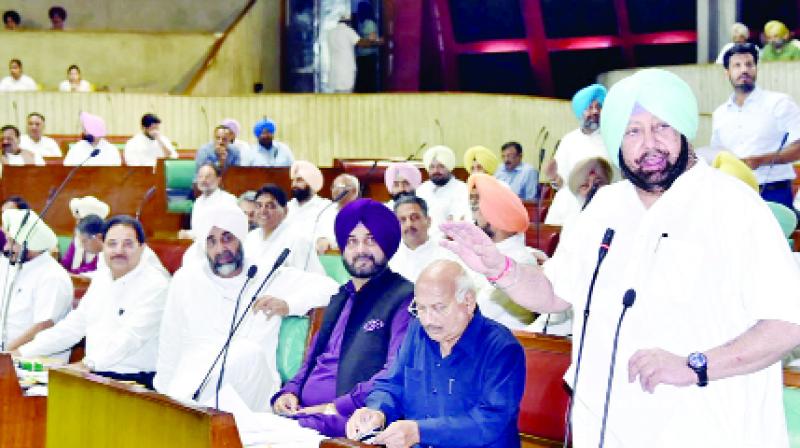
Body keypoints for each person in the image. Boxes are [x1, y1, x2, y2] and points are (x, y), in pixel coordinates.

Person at [441, 68, 800, 447]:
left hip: (708, 429)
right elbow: (554, 293)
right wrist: (501, 268)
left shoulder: (734, 205)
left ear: (683, 128)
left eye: (662, 126)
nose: (650, 143)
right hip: (610, 429)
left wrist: (695, 365)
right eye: (633, 131)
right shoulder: (604, 206)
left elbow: (787, 324)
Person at [155, 203, 336, 410]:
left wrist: (289, 305)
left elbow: (332, 288)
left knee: (244, 352)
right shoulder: (187, 279)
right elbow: (170, 342)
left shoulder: (267, 274)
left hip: (252, 388)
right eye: (211, 242)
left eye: (227, 238)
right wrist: (162, 396)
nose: (220, 249)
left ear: (241, 238)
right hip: (193, 384)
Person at [271, 198, 413, 436]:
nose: (360, 250)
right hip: (306, 416)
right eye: (352, 241)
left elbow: (395, 373)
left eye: (370, 240)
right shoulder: (340, 297)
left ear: (386, 244)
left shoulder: (404, 297)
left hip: (351, 421)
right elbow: (311, 360)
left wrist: (332, 407)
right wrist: (290, 392)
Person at [347, 260, 525, 448]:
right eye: (421, 308)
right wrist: (377, 411)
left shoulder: (501, 348)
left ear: (468, 301)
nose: (428, 320)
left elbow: (490, 421)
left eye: (439, 308)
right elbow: (393, 383)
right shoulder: (418, 330)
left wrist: (420, 432)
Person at [16, 216, 168, 388]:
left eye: (128, 244)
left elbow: (130, 338)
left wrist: (86, 365)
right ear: (102, 246)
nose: (119, 250)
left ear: (142, 248)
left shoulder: (157, 285)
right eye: (112, 244)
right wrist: (22, 352)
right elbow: (75, 325)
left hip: (133, 383)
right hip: (94, 376)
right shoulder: (102, 278)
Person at [710, 43, 800, 208]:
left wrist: (762, 160)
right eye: (737, 65)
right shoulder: (719, 114)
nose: (744, 70)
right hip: (733, 194)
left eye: (749, 64)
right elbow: (717, 155)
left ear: (756, 68)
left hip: (774, 193)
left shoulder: (779, 103)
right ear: (727, 72)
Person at [468, 173, 536, 329]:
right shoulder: (480, 249)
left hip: (503, 342)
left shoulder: (519, 260)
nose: (473, 213)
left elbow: (479, 310)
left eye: (478, 205)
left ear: (496, 214)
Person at [0, 209, 72, 355]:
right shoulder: (11, 265)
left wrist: (5, 355)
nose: (6, 248)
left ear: (30, 245)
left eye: (12, 243)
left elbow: (42, 326)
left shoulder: (52, 276)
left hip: (32, 360)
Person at [546, 83, 611, 225]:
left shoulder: (610, 139)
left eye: (598, 107)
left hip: (602, 205)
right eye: (590, 108)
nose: (595, 112)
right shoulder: (569, 140)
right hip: (570, 206)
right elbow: (560, 184)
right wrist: (553, 177)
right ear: (580, 112)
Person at [243, 184, 325, 274]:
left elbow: (314, 279)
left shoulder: (297, 240)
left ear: (285, 211)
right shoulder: (250, 238)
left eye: (270, 206)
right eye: (259, 206)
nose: (263, 211)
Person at [388, 195, 453, 282]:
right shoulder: (390, 259)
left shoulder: (447, 255)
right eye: (402, 220)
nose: (409, 224)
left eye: (414, 218)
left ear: (428, 221)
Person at [416, 145, 471, 237]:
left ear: (449, 167)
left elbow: (463, 221)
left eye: (441, 166)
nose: (436, 171)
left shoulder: (462, 189)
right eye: (432, 167)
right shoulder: (421, 190)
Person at [178, 163, 237, 240]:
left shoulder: (228, 200)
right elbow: (197, 230)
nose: (203, 180)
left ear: (218, 180)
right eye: (200, 176)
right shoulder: (198, 202)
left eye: (208, 176)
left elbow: (222, 232)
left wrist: (191, 235)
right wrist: (187, 233)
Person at [327, 15, 381, 93]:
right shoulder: (348, 31)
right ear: (348, 22)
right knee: (346, 99)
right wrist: (372, 40)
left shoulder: (331, 32)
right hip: (346, 73)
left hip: (334, 73)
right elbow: (362, 43)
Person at [61, 196, 110, 275]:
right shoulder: (78, 239)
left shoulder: (104, 249)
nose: (77, 223)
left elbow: (92, 269)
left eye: (80, 220)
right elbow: (66, 262)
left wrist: (72, 274)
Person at [286, 160, 333, 241]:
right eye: (293, 180)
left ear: (311, 182)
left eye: (299, 180)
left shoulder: (325, 207)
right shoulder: (287, 207)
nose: (293, 185)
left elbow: (329, 237)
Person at [316, 173, 361, 253]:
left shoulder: (362, 213)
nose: (334, 190)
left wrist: (330, 243)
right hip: (326, 257)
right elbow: (318, 233)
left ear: (354, 191)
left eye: (339, 186)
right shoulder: (327, 210)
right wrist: (321, 239)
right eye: (333, 186)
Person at [354, 2, 381, 93]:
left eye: (359, 9)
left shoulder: (370, 23)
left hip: (368, 56)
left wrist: (361, 43)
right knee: (362, 81)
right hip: (362, 56)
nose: (358, 11)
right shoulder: (361, 23)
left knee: (367, 82)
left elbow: (372, 41)